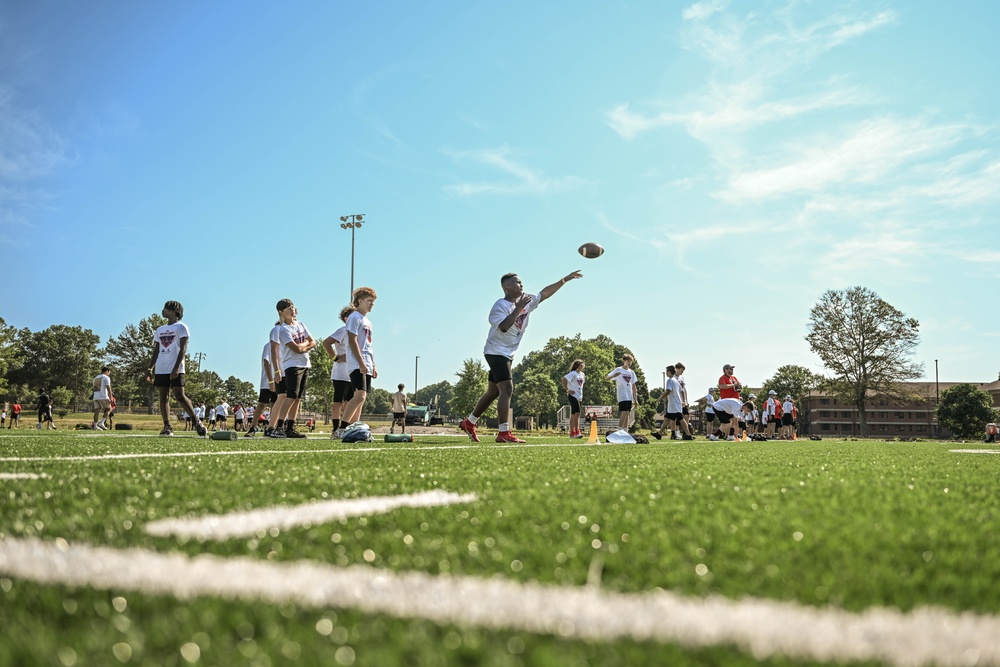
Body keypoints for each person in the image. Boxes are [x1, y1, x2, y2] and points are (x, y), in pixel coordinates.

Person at [460, 270, 583, 444]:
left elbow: (544, 294)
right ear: (507, 286)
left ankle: (469, 422)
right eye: (518, 282)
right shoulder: (500, 306)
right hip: (495, 351)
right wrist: (518, 308)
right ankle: (504, 432)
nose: (522, 284)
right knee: (507, 389)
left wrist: (565, 279)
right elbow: (503, 327)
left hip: (508, 353)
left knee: (493, 392)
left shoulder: (526, 300)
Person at [145, 300, 207, 437]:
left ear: (173, 311)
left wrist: (176, 368)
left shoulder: (182, 327)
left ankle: (197, 422)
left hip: (176, 367)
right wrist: (150, 369)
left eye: (165, 309)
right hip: (161, 368)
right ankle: (167, 426)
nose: (162, 311)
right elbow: (156, 350)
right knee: (163, 397)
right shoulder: (160, 329)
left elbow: (183, 349)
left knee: (179, 396)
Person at [275, 298, 317, 438]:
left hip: (305, 364)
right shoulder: (283, 330)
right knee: (291, 396)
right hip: (292, 364)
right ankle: (279, 426)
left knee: (298, 398)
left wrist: (304, 345)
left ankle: (290, 429)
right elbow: (296, 348)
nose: (292, 310)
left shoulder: (301, 324)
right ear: (281, 312)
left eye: (293, 307)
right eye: (288, 308)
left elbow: (313, 342)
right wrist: (305, 344)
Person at [342, 288, 377, 427]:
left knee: (362, 398)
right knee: (359, 395)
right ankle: (342, 427)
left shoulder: (368, 322)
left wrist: (373, 364)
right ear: (360, 301)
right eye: (369, 301)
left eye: (373, 302)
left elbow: (369, 344)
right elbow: (352, 340)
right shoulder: (354, 317)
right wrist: (361, 362)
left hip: (367, 363)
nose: (372, 304)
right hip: (357, 363)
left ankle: (354, 426)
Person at [322, 306, 356, 439]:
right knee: (338, 402)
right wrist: (336, 357)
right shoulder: (343, 331)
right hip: (341, 373)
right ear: (346, 318)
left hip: (353, 372)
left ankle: (346, 427)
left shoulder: (356, 332)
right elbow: (326, 343)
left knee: (349, 402)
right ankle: (335, 429)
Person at [246, 341, 277, 438]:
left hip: (279, 380)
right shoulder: (269, 345)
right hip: (267, 381)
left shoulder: (284, 345)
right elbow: (266, 362)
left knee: (275, 404)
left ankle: (271, 428)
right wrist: (271, 381)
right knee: (262, 403)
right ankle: (252, 428)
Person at [653, 365, 691, 440]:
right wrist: (683, 400)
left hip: (674, 404)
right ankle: (659, 434)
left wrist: (660, 397)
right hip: (676, 403)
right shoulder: (676, 380)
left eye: (667, 371)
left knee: (680, 418)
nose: (666, 373)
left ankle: (688, 434)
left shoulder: (670, 380)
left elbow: (668, 391)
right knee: (667, 418)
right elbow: (682, 391)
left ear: (669, 372)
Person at [607, 354, 638, 431]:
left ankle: (625, 430)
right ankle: (620, 429)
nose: (629, 363)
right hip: (622, 395)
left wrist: (635, 398)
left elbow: (633, 386)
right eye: (628, 361)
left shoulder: (632, 372)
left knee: (627, 413)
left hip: (629, 396)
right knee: (624, 412)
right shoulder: (619, 369)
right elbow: (607, 378)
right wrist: (614, 375)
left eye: (630, 361)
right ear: (624, 361)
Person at [561, 359, 586, 439]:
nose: (582, 366)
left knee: (573, 414)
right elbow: (564, 379)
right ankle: (577, 431)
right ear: (577, 365)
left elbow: (581, 385)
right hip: (573, 395)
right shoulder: (573, 373)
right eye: (581, 364)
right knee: (578, 413)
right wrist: (567, 389)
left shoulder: (582, 374)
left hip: (579, 396)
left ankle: (572, 433)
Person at [673, 362, 693, 438]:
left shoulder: (682, 378)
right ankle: (676, 433)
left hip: (683, 400)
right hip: (677, 400)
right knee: (678, 417)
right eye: (681, 370)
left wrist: (686, 400)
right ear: (677, 369)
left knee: (687, 415)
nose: (682, 372)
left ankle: (685, 432)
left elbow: (684, 390)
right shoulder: (673, 378)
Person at [92, 366, 114, 430]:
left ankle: (95, 425)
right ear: (107, 371)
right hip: (103, 396)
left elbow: (95, 387)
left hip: (96, 396)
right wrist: (111, 397)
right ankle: (102, 422)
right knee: (108, 409)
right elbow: (108, 387)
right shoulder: (106, 377)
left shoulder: (95, 378)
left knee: (97, 411)